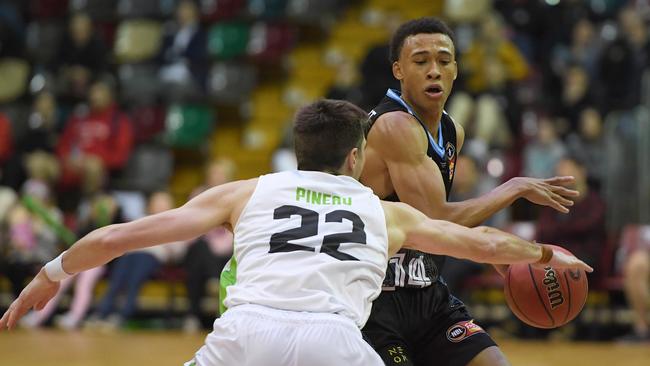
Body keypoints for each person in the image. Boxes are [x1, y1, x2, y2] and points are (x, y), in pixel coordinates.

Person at [0, 100, 591, 366]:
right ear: (357, 158)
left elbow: (117, 237)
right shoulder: (389, 214)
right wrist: (545, 252)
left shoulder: (243, 191)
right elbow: (486, 246)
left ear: (298, 152)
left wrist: (50, 275)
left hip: (243, 336)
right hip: (333, 342)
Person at [359, 18, 581, 366]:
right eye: (421, 62)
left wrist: (494, 254)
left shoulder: (451, 132)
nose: (434, 70)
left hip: (427, 293)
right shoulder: (393, 126)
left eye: (444, 61)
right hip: (374, 300)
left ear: (456, 69)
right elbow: (435, 217)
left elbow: (435, 230)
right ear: (398, 70)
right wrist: (513, 187)